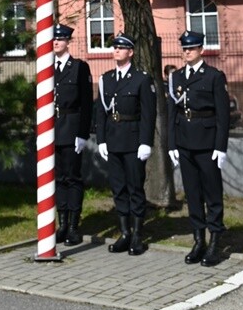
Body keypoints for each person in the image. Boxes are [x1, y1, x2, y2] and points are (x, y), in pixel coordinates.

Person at [166, 30, 230, 267]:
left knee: (212, 193)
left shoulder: (213, 76)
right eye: (184, 49)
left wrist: (220, 146)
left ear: (201, 50)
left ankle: (215, 241)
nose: (187, 52)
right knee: (192, 193)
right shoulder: (176, 77)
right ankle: (198, 240)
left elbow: (223, 115)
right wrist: (172, 143)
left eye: (191, 48)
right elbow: (172, 113)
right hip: (184, 142)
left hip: (207, 142)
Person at [95, 33, 156, 256]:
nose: (116, 51)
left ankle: (138, 235)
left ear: (130, 52)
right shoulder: (107, 79)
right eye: (115, 48)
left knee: (135, 188)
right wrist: (101, 139)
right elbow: (100, 112)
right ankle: (125, 233)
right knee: (118, 188)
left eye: (121, 48)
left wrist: (145, 142)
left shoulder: (141, 79)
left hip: (132, 141)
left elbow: (148, 114)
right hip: (113, 140)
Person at [52, 23, 93, 244]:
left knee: (72, 178)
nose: (56, 42)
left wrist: (82, 133)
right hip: (53, 130)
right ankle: (63, 224)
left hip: (71, 128)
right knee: (59, 179)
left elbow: (86, 103)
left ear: (68, 42)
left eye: (60, 39)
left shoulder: (79, 67)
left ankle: (74, 226)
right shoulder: (47, 68)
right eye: (53, 39)